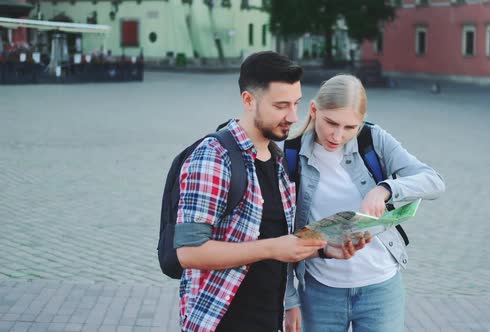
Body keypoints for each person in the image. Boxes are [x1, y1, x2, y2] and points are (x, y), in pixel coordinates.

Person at [173, 52, 363, 332]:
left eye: (296, 104)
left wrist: (324, 250)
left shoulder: (277, 159)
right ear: (249, 101)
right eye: (281, 105)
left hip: (266, 320)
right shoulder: (214, 157)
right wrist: (274, 247)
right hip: (219, 321)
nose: (293, 116)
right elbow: (188, 252)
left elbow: (273, 241)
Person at [284, 74, 446, 332]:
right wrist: (289, 302)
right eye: (331, 123)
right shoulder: (288, 154)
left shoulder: (373, 139)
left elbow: (433, 181)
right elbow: (279, 234)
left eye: (350, 127)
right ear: (314, 110)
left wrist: (385, 189)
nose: (338, 135)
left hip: (380, 289)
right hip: (318, 292)